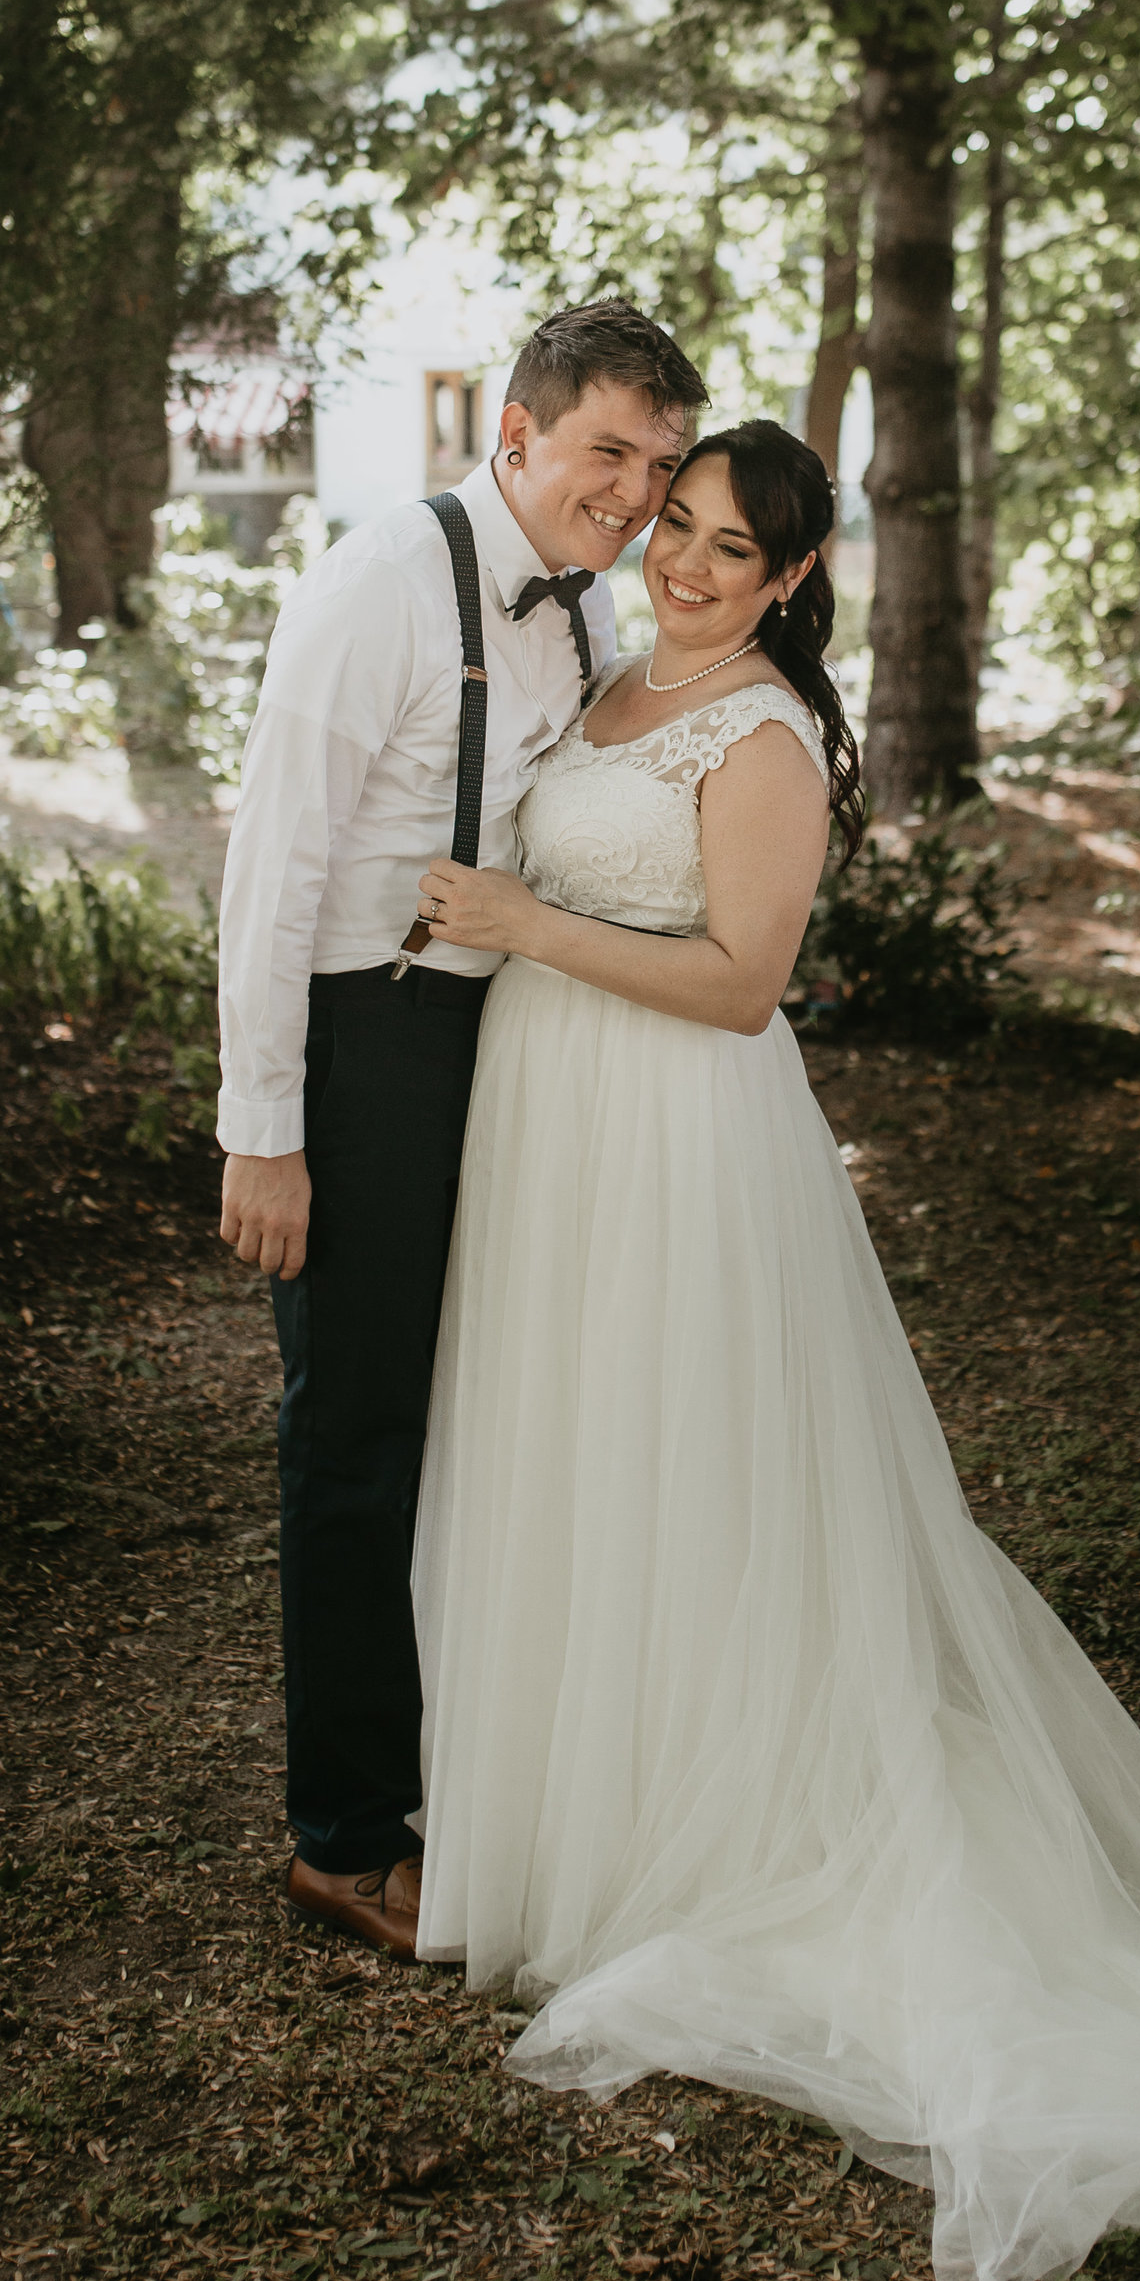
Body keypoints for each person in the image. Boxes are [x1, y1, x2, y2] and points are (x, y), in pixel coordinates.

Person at [406, 419, 1140, 2281]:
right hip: (554, 1133)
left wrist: (527, 918)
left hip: (677, 1140)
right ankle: (560, 1807)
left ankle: (705, 1824)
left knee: (687, 1472)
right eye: (671, 525)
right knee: (579, 1465)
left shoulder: (760, 734)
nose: (681, 561)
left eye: (725, 547)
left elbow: (746, 979)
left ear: (791, 578)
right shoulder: (605, 676)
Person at [216, 301, 708, 1955]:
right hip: (366, 1041)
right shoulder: (380, 581)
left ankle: (461, 1776)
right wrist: (263, 1126)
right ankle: (346, 1837)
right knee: (353, 1435)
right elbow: (273, 860)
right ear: (516, 432)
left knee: (471, 1419)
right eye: (605, 453)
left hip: (494, 1040)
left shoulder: (574, 615)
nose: (632, 493)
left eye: (654, 464)